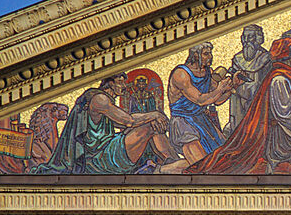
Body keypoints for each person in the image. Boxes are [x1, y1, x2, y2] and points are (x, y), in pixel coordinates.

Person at [185, 36, 291, 175]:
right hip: (285, 144)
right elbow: (286, 113)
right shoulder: (279, 80)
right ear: (286, 55)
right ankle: (285, 164)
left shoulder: (290, 75)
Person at [31, 74, 184, 174]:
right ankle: (174, 163)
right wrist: (155, 114)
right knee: (150, 126)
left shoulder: (106, 101)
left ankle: (172, 161)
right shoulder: (99, 99)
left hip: (105, 149)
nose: (124, 87)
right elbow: (128, 121)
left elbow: (127, 120)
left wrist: (152, 117)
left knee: (151, 124)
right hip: (98, 158)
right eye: (120, 82)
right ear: (109, 83)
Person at [167, 42, 236, 164]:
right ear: (195, 55)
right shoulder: (181, 74)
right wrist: (220, 89)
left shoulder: (207, 72)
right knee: (203, 165)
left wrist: (231, 87)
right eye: (206, 54)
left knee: (223, 158)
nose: (210, 57)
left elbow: (217, 100)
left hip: (202, 121)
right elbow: (200, 100)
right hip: (184, 123)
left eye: (210, 53)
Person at [225, 24, 272, 136]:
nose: (246, 41)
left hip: (258, 102)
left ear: (258, 39)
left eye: (250, 37)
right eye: (244, 37)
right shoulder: (237, 58)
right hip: (239, 104)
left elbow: (266, 84)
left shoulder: (265, 58)